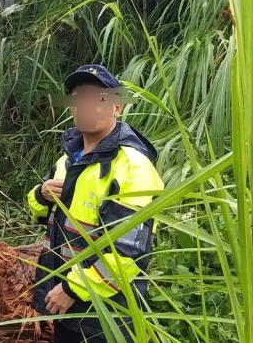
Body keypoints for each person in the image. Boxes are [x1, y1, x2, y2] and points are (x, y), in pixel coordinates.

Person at [28, 64, 164, 343]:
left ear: (117, 107)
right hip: (66, 306)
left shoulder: (132, 166)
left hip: (107, 315)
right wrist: (41, 195)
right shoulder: (67, 160)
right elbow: (42, 215)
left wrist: (73, 289)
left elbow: (129, 252)